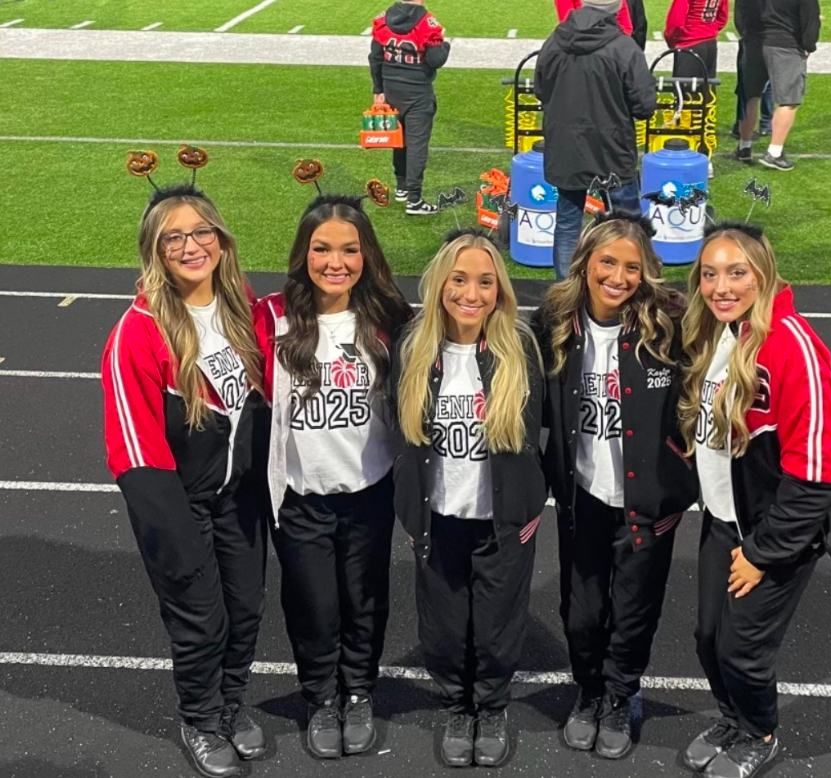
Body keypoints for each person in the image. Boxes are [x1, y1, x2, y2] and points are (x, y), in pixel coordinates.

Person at [102, 184, 268, 778]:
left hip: (240, 498)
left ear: (221, 241)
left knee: (245, 607)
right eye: (174, 237)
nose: (191, 245)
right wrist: (176, 535)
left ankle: (230, 704)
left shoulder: (240, 306)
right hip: (179, 503)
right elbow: (133, 450)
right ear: (155, 250)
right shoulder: (137, 333)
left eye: (202, 232)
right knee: (202, 617)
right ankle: (200, 718)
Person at [676, 222, 831, 778]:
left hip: (775, 531)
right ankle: (732, 717)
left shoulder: (793, 345)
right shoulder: (717, 332)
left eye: (736, 272)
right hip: (725, 519)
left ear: (764, 274)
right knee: (708, 638)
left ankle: (761, 733)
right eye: (709, 274)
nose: (721, 286)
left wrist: (762, 552)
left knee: (742, 650)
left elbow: (820, 475)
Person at [531, 212, 698, 760]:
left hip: (647, 505)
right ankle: (589, 688)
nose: (618, 277)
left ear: (646, 271)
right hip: (583, 498)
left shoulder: (669, 323)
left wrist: (680, 474)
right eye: (608, 262)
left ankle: (621, 694)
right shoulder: (555, 320)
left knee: (633, 609)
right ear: (585, 263)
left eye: (632, 266)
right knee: (580, 611)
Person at [253, 193, 413, 759]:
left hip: (369, 492)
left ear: (367, 255)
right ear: (303, 254)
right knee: (313, 605)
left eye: (349, 249)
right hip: (299, 497)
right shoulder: (271, 315)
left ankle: (360, 693)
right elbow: (207, 315)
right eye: (321, 249)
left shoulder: (389, 318)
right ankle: (322, 696)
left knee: (365, 601)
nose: (335, 262)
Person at [392, 230, 546, 768]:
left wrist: (529, 504)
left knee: (499, 623)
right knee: (444, 624)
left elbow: (540, 430)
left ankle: (492, 705)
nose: (471, 293)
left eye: (485, 282)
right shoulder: (413, 348)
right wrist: (410, 511)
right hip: (438, 520)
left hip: (502, 523)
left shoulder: (519, 348)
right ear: (439, 285)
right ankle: (458, 704)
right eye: (459, 280)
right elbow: (400, 435)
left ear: (500, 291)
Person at [535, 0, 658, 280]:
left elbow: (540, 90)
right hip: (612, 148)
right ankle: (630, 288)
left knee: (568, 222)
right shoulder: (624, 47)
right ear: (617, 9)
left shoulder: (555, 41)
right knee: (628, 225)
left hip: (566, 149)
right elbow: (645, 105)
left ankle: (566, 294)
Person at [369, 0, 451, 215]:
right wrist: (446, 46)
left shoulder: (383, 19)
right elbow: (435, 60)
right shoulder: (427, 22)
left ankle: (402, 186)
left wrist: (378, 89)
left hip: (391, 88)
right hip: (417, 92)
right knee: (416, 146)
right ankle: (414, 199)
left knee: (399, 140)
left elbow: (375, 58)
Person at [733, 0, 820, 171]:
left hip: (753, 43)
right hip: (785, 45)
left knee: (750, 95)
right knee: (788, 100)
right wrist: (809, 45)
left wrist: (747, 35)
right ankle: (774, 152)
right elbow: (810, 18)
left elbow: (740, 13)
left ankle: (744, 146)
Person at [665, 0, 730, 163]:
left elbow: (676, 21)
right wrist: (709, 30)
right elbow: (722, 16)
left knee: (684, 101)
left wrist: (674, 40)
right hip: (709, 43)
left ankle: (684, 149)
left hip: (690, 43)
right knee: (706, 99)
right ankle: (704, 151)